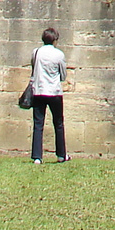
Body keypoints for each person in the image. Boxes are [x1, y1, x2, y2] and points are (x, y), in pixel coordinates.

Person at [29, 27, 69, 163]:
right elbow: (63, 75)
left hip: (39, 91)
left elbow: (33, 69)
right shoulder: (59, 55)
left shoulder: (36, 52)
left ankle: (37, 156)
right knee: (58, 123)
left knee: (38, 123)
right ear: (55, 40)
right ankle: (61, 155)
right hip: (54, 92)